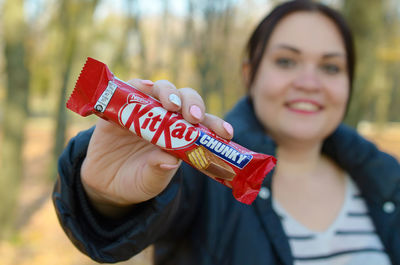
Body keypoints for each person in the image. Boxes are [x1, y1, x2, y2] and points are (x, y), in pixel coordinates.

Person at [53, 1, 400, 264]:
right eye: (286, 61)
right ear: (249, 74)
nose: (309, 83)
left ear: (349, 83)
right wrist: (103, 197)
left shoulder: (387, 179)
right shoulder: (198, 174)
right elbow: (121, 229)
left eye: (330, 66)